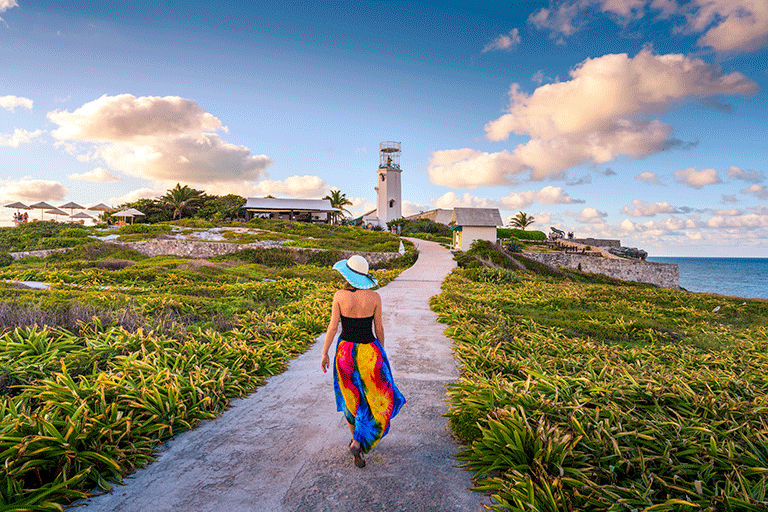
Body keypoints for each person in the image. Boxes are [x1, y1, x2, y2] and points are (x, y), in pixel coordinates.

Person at [321, 254, 405, 468]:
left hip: (345, 353)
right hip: (369, 352)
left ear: (347, 274)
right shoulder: (375, 297)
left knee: (351, 398)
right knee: (375, 396)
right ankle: (361, 439)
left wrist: (324, 353)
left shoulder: (339, 295)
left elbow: (332, 327)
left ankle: (355, 440)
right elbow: (379, 329)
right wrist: (381, 353)